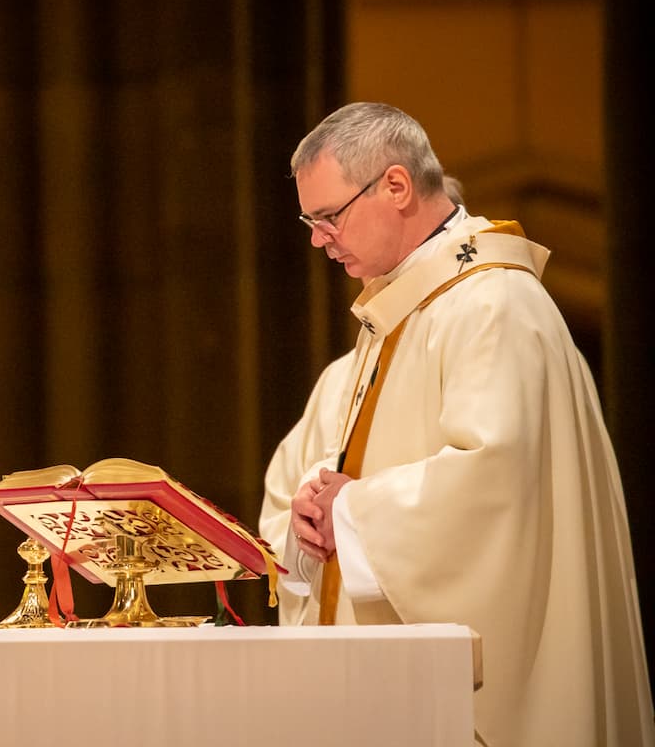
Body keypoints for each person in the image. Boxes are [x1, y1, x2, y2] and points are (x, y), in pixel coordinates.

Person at [278, 102, 652, 746]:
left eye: (329, 217)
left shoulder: (492, 305)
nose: (318, 239)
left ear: (395, 186)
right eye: (309, 221)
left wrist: (353, 512)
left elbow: (496, 484)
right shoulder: (401, 315)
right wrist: (312, 512)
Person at [259, 175, 465, 627]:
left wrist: (353, 509)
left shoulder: (475, 324)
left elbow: (482, 492)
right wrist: (306, 521)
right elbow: (279, 515)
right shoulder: (338, 378)